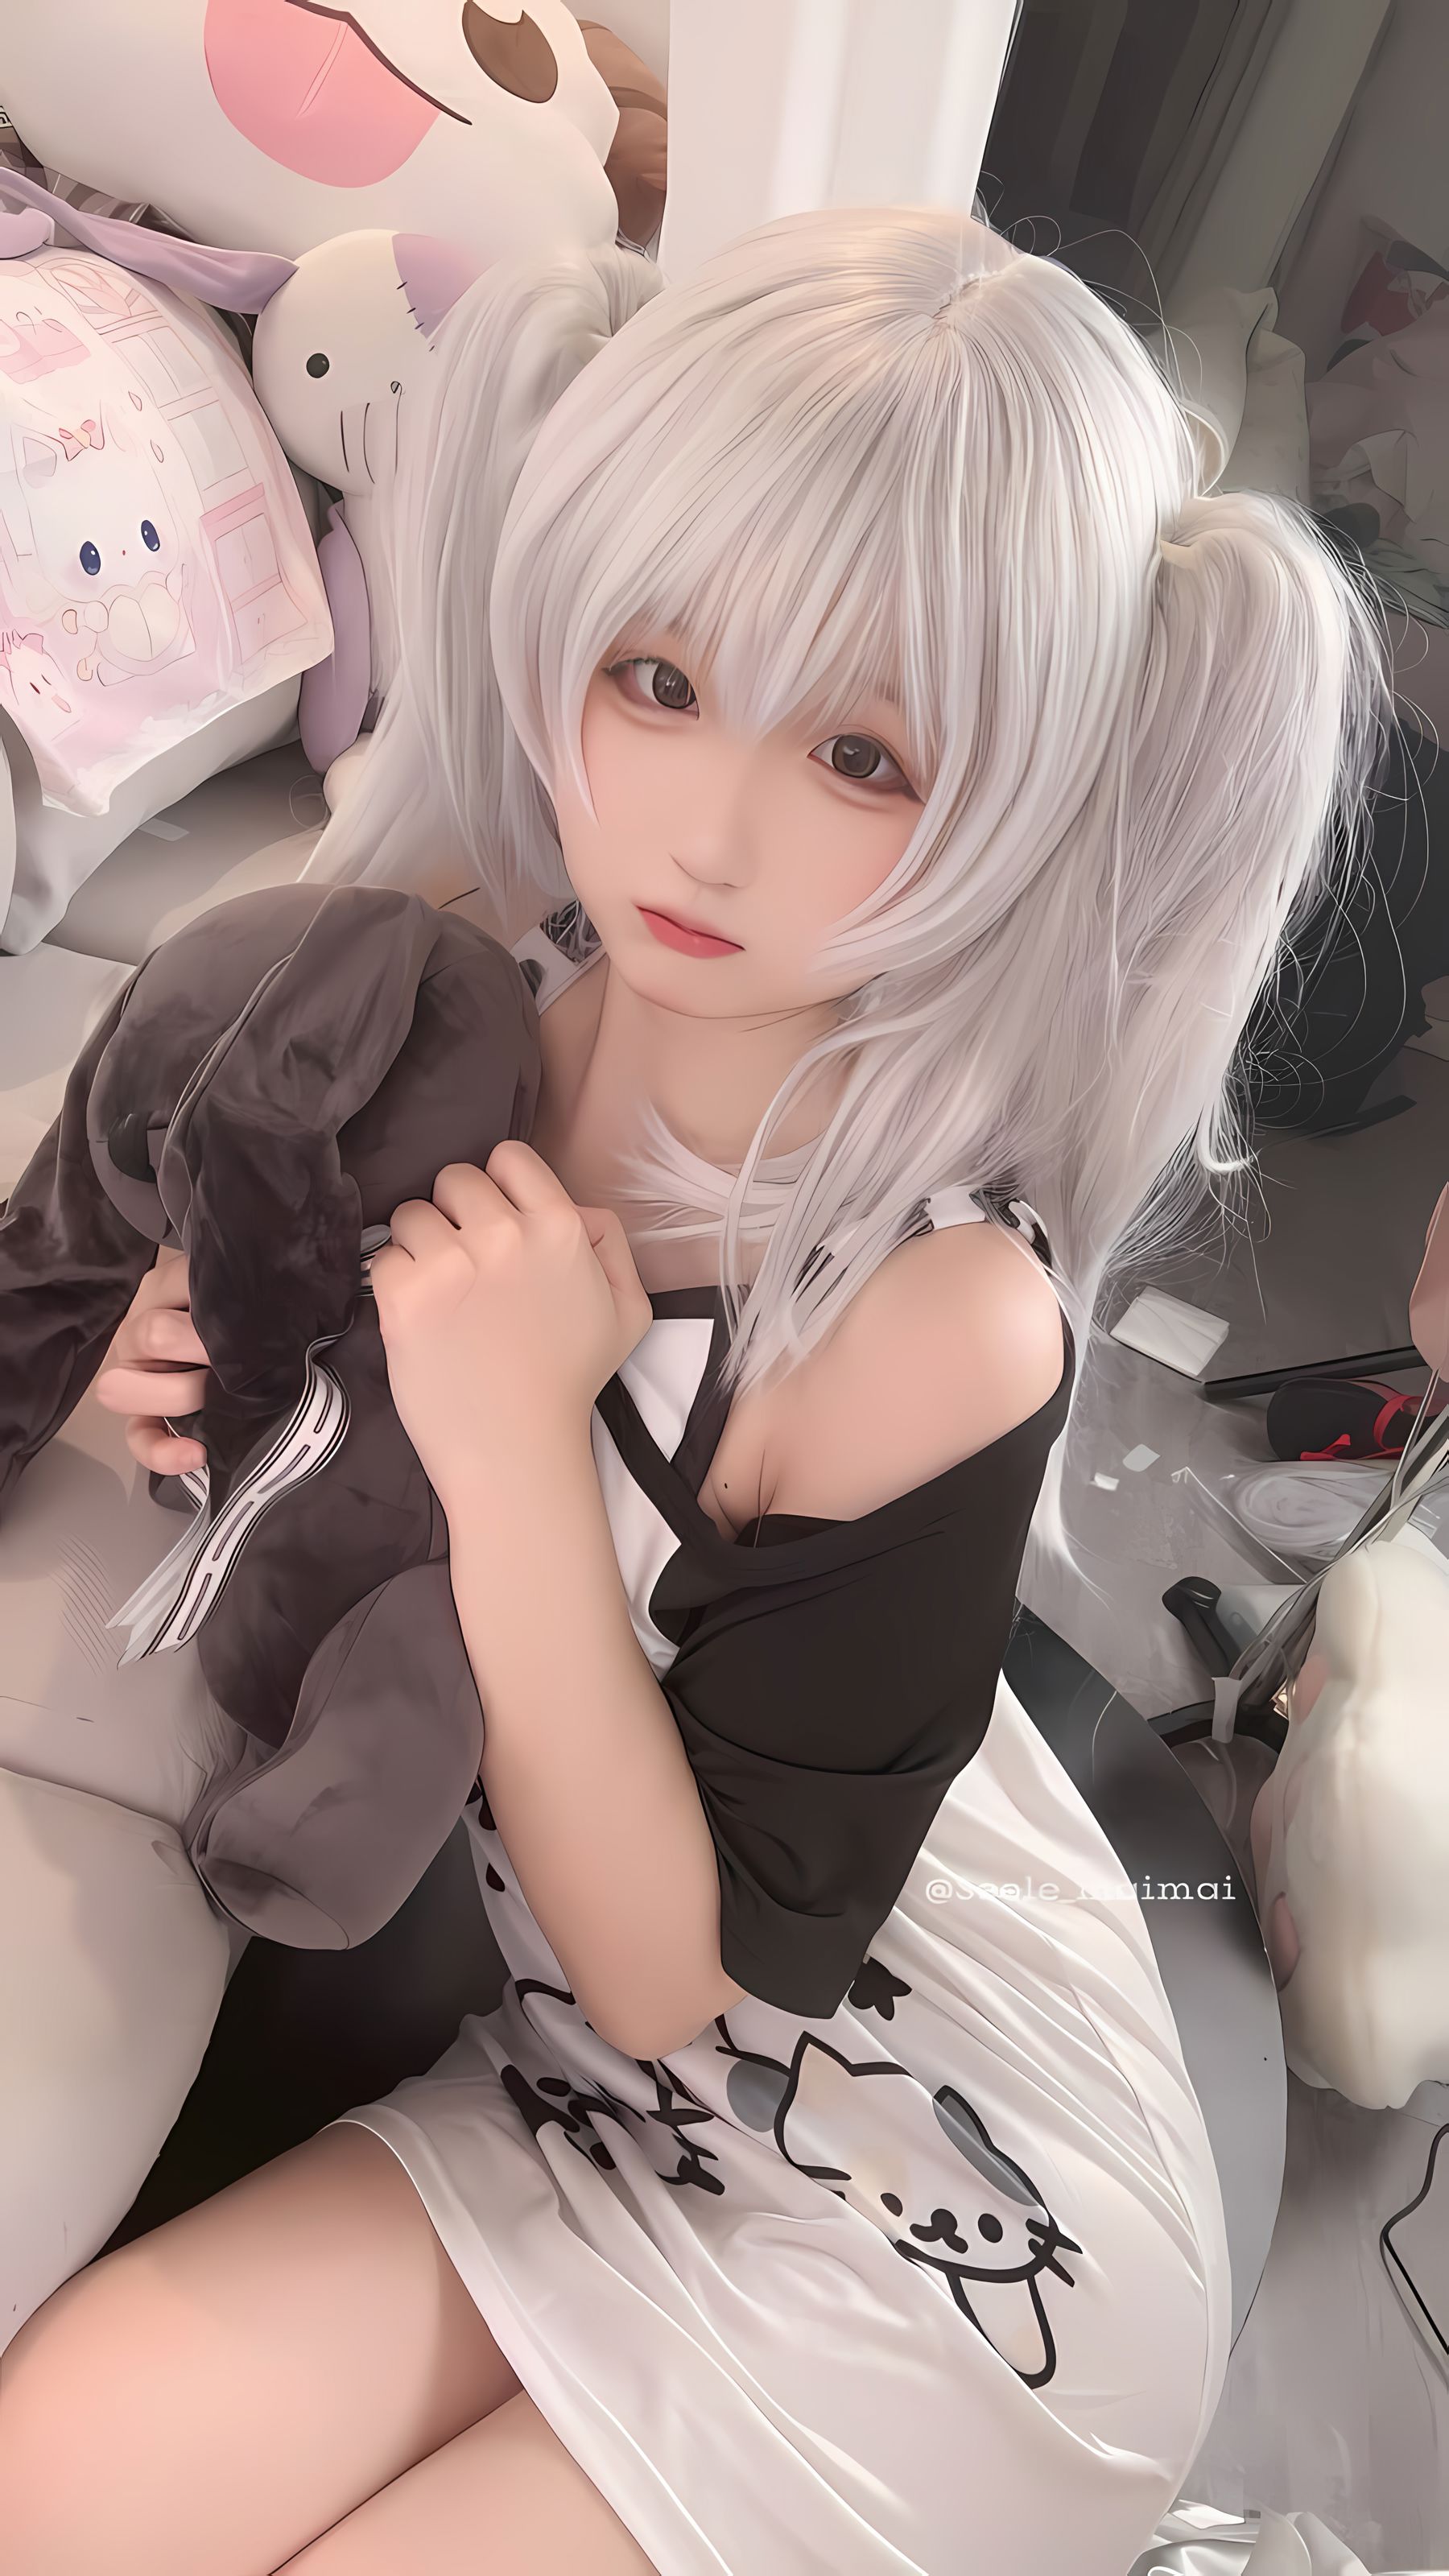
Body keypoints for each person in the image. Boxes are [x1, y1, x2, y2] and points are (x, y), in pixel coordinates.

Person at [0, 206, 1385, 2574]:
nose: (707, 829)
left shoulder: (937, 1315)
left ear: (1030, 788)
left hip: (940, 2196)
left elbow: (680, 1976)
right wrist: (169, 1354)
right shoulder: (449, 1003)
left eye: (862, 752)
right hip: (557, 2096)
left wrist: (513, 1446)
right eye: (656, 675)